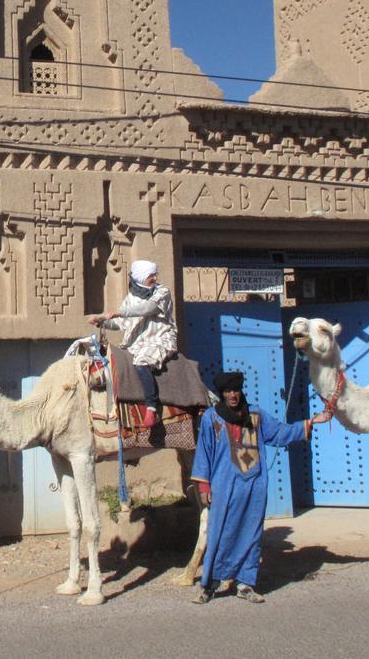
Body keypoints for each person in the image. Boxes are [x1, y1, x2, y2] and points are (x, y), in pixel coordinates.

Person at [189, 371, 330, 605]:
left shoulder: (255, 415)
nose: (233, 396)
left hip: (254, 484)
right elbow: (204, 452)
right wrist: (204, 485)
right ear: (222, 394)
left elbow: (280, 432)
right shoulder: (211, 418)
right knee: (219, 533)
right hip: (224, 486)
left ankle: (245, 583)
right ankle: (210, 585)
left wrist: (311, 421)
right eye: (228, 392)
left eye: (236, 391)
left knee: (251, 533)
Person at [85, 258, 177, 427]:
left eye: (154, 275)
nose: (154, 278)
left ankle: (151, 407)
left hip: (158, 340)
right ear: (141, 277)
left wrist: (119, 312)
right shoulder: (130, 298)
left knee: (141, 361)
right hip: (134, 343)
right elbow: (120, 324)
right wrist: (101, 321)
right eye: (151, 275)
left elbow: (149, 308)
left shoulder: (162, 292)